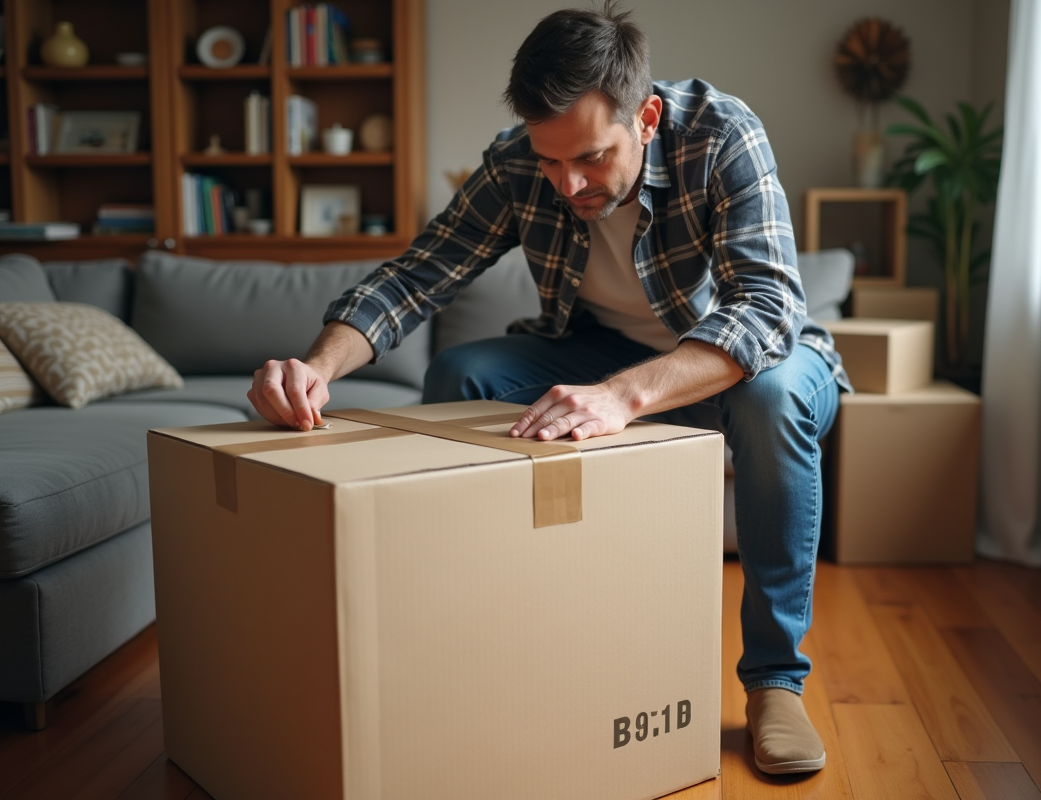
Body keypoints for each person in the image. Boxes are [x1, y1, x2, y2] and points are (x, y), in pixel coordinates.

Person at [248, 1, 849, 775]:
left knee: (772, 401)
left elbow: (767, 310)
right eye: (551, 161)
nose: (568, 184)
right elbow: (417, 277)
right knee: (463, 372)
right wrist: (316, 367)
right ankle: (487, 624)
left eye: (592, 159)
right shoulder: (518, 164)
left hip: (748, 363)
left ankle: (774, 681)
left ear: (647, 118)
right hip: (599, 350)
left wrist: (624, 397)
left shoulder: (722, 133)